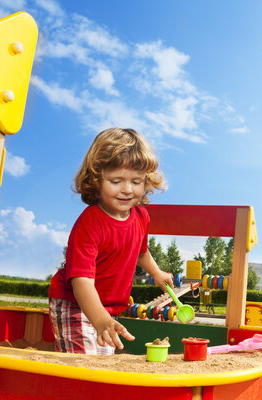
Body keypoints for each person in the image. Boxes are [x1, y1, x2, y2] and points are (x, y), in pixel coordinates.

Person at [48, 128, 173, 355]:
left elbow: (141, 252)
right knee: (84, 366)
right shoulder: (90, 223)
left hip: (109, 310)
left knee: (103, 366)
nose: (127, 190)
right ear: (96, 179)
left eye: (136, 181)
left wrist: (157, 273)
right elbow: (82, 281)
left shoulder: (140, 216)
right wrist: (100, 319)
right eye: (116, 181)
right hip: (75, 304)